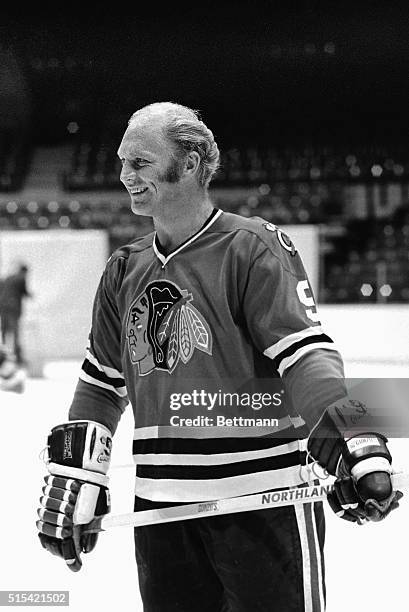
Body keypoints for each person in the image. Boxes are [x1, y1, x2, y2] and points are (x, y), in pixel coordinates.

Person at [36, 102, 402, 611]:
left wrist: (349, 435)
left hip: (261, 503)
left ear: (189, 164)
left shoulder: (253, 248)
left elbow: (305, 355)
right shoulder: (124, 268)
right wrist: (78, 475)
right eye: (121, 162)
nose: (124, 176)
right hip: (160, 514)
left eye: (139, 162)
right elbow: (101, 382)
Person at [0, 262, 31, 365]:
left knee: (5, 332)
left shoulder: (8, 278)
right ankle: (18, 358)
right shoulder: (21, 278)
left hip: (3, 307)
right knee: (15, 332)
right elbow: (25, 292)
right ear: (24, 271)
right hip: (13, 308)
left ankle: (3, 357)